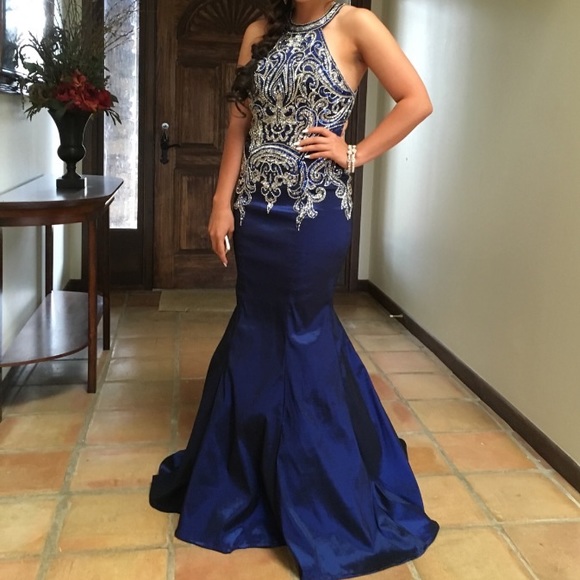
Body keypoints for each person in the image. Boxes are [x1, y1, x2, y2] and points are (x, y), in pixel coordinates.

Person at [150, 1, 439, 578]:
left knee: (303, 333)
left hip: (314, 212)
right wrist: (220, 203)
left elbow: (417, 100)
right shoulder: (259, 29)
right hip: (255, 210)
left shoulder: (356, 24)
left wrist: (354, 152)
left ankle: (316, 489)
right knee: (256, 329)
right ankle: (248, 473)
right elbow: (239, 125)